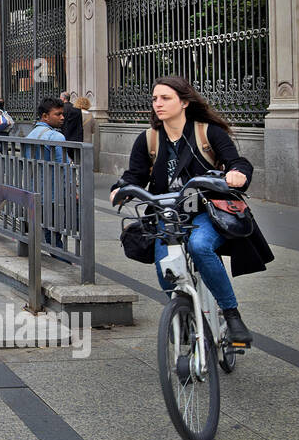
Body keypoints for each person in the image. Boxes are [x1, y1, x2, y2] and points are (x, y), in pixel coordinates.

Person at [110, 75, 269, 347]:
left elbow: (237, 161)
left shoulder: (207, 133)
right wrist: (120, 189)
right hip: (167, 214)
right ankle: (185, 312)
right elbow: (133, 175)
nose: (157, 104)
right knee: (165, 269)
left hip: (205, 211)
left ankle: (231, 315)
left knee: (200, 246)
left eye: (165, 98)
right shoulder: (148, 139)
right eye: (154, 99)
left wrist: (237, 174)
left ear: (184, 102)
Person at [25, 97, 68, 250]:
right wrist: (72, 189)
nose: (62, 117)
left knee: (41, 231)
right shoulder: (56, 137)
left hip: (34, 192)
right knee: (54, 237)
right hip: (53, 195)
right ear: (45, 116)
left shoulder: (30, 135)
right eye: (58, 114)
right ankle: (64, 264)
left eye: (62, 114)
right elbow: (64, 167)